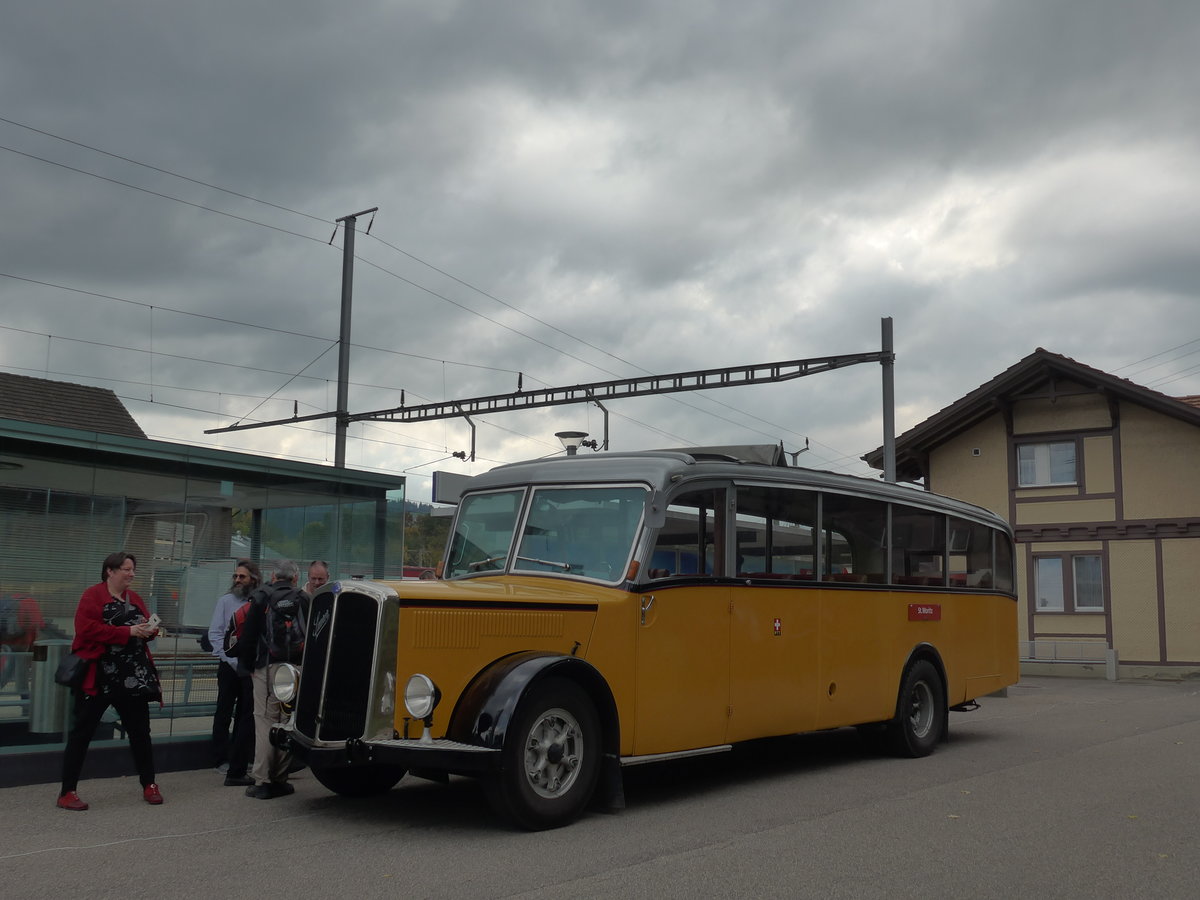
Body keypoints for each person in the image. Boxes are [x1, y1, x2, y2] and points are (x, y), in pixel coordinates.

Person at [57, 551, 163, 811]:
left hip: (133, 678)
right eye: (126, 569)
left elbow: (143, 628)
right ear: (110, 571)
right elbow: (86, 629)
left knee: (141, 733)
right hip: (100, 677)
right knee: (82, 733)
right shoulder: (92, 596)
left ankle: (149, 784)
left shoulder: (135, 598)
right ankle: (67, 791)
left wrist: (149, 630)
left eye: (133, 569)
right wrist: (127, 631)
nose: (132, 574)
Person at [239, 559, 307, 799]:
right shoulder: (303, 598)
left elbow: (248, 636)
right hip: (295, 669)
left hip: (266, 667)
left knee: (265, 722)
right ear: (296, 578)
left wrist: (247, 666)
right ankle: (280, 778)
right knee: (288, 721)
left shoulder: (261, 596)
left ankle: (262, 780)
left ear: (272, 575)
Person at [206, 559, 261, 786]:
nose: (237, 580)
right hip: (229, 666)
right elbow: (215, 634)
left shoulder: (258, 601)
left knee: (245, 714)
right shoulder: (225, 601)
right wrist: (229, 659)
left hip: (249, 667)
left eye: (242, 577)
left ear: (253, 580)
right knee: (224, 710)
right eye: (236, 576)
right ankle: (220, 758)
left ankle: (241, 758)